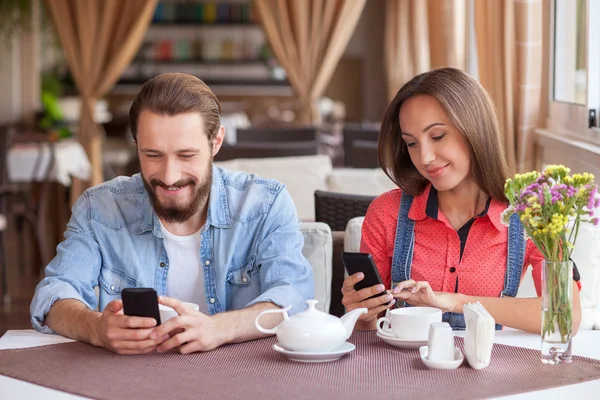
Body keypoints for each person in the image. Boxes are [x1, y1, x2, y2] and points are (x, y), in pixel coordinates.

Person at [30, 73, 314, 354]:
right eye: (153, 155)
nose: (169, 176)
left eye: (186, 155)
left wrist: (219, 328)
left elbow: (293, 296)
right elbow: (53, 295)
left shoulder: (266, 204)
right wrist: (96, 328)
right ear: (136, 144)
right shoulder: (99, 208)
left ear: (215, 142)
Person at [341, 67, 581, 333]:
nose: (425, 158)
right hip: (403, 371)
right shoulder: (387, 212)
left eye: (437, 136)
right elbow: (372, 333)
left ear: (474, 130)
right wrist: (362, 317)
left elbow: (563, 317)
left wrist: (457, 302)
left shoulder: (533, 213)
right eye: (412, 143)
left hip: (489, 368)